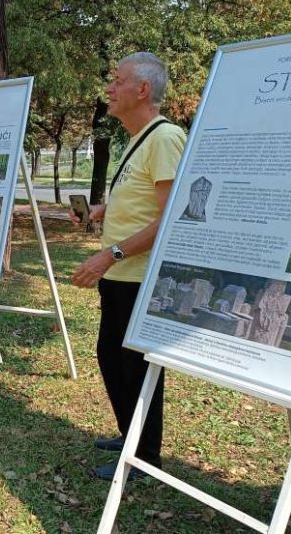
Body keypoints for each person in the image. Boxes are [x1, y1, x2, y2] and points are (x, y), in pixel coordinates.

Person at [70, 52, 186, 482]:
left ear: (142, 89)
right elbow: (142, 201)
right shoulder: (139, 138)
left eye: (118, 80)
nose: (110, 88)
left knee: (136, 368)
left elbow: (170, 218)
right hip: (120, 277)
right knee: (111, 358)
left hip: (139, 277)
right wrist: (102, 211)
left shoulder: (165, 138)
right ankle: (129, 435)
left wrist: (109, 254)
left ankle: (145, 456)